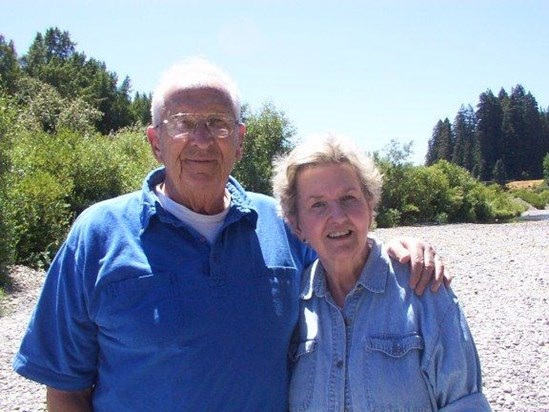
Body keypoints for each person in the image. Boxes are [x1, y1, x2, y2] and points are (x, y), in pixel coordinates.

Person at [14, 58, 447, 411]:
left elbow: (346, 259)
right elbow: (65, 388)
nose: (202, 140)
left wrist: (397, 251)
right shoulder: (98, 235)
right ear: (155, 141)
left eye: (218, 124)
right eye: (183, 123)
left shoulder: (280, 222)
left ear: (239, 141)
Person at [272, 133, 491, 411]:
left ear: (370, 206)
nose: (338, 217)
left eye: (349, 198)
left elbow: (464, 404)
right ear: (297, 225)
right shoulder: (295, 308)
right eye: (318, 205)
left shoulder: (423, 289)